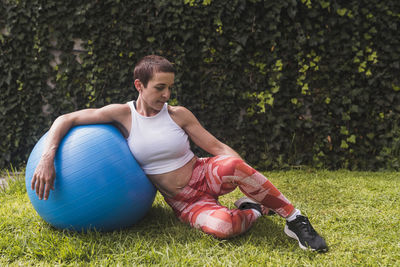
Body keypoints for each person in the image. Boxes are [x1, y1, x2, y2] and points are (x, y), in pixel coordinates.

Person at [31, 55, 328, 252]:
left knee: (234, 164)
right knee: (223, 227)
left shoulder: (178, 115)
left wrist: (250, 177)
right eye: (160, 88)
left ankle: (295, 220)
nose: (166, 95)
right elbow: (65, 119)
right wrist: (47, 157)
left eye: (170, 88)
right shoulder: (122, 115)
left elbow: (218, 149)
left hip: (203, 174)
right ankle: (252, 209)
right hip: (182, 201)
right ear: (139, 85)